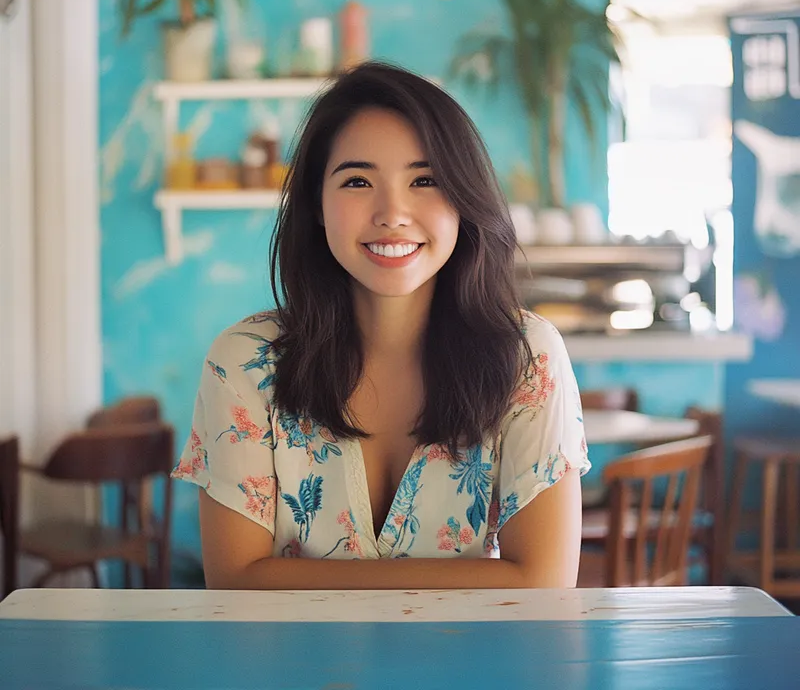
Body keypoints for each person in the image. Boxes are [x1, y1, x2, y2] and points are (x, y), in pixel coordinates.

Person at [172, 62, 590, 590]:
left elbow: (545, 584)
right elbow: (233, 582)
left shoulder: (526, 356)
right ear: (317, 205)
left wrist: (287, 580)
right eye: (357, 180)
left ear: (464, 199)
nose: (393, 213)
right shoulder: (245, 362)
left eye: (425, 180)